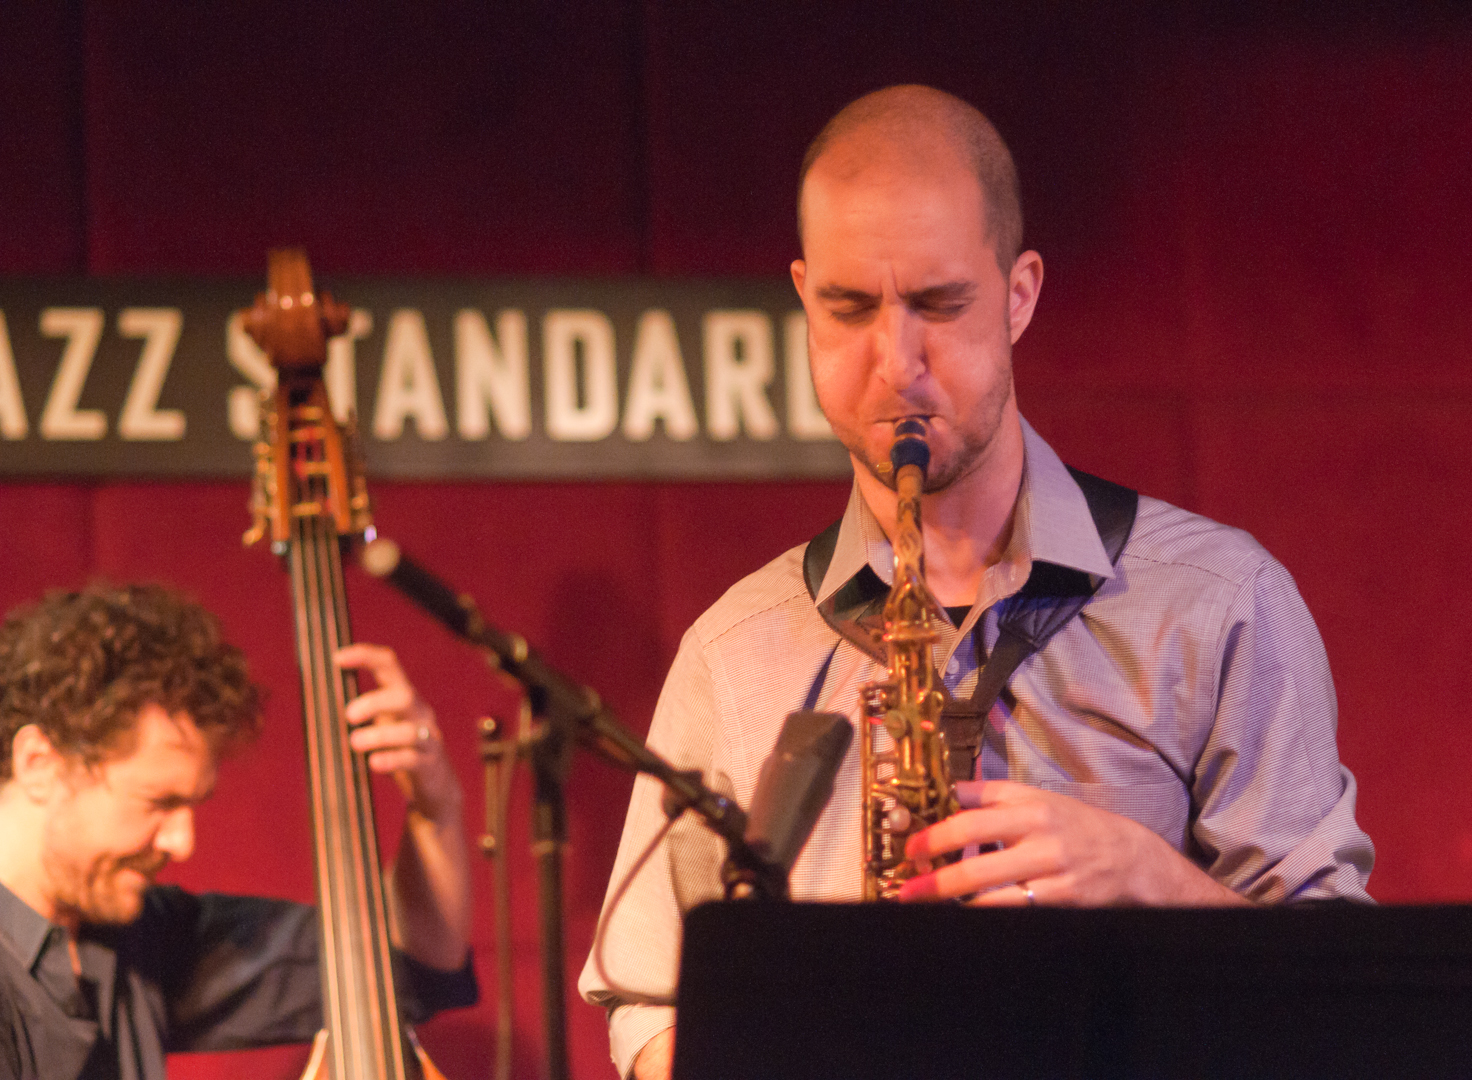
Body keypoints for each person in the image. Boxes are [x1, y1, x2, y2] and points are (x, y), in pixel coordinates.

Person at [578, 84, 1374, 1080]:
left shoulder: (1220, 603)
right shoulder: (732, 653)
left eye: (938, 305)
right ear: (801, 300)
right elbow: (646, 1000)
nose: (895, 364)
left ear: (1018, 293)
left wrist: (1147, 881)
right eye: (848, 308)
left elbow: (1345, 1009)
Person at [0, 582, 476, 1079]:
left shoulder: (136, 936)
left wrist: (435, 806)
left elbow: (408, 961)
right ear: (39, 765)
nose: (182, 842)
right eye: (157, 802)